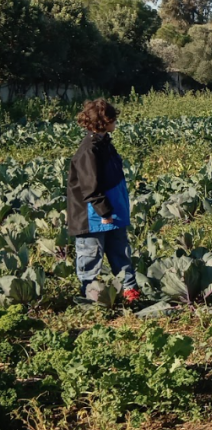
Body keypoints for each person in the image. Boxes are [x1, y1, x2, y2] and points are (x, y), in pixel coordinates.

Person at [67, 99, 137, 304]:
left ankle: (130, 292)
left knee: (121, 252)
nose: (115, 122)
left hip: (114, 211)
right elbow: (90, 186)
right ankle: (91, 297)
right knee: (90, 256)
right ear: (104, 121)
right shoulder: (89, 150)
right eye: (113, 118)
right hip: (94, 216)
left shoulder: (104, 144)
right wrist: (104, 212)